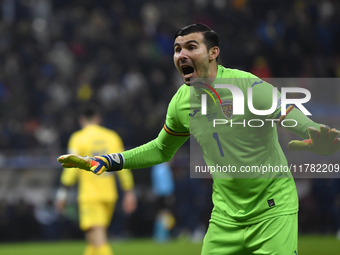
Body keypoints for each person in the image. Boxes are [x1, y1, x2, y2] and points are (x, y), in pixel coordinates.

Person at [58, 24, 340, 255]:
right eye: (177, 49)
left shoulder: (248, 86)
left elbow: (288, 112)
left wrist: (313, 132)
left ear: (213, 53)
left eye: (191, 47)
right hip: (226, 217)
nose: (181, 54)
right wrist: (109, 161)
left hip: (272, 210)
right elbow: (161, 149)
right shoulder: (181, 103)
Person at [55, 104, 137, 255]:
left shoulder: (78, 139)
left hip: (90, 197)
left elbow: (71, 169)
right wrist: (129, 191)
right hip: (109, 196)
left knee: (99, 242)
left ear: (81, 120)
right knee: (93, 240)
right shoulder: (112, 137)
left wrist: (62, 195)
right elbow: (123, 165)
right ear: (97, 118)